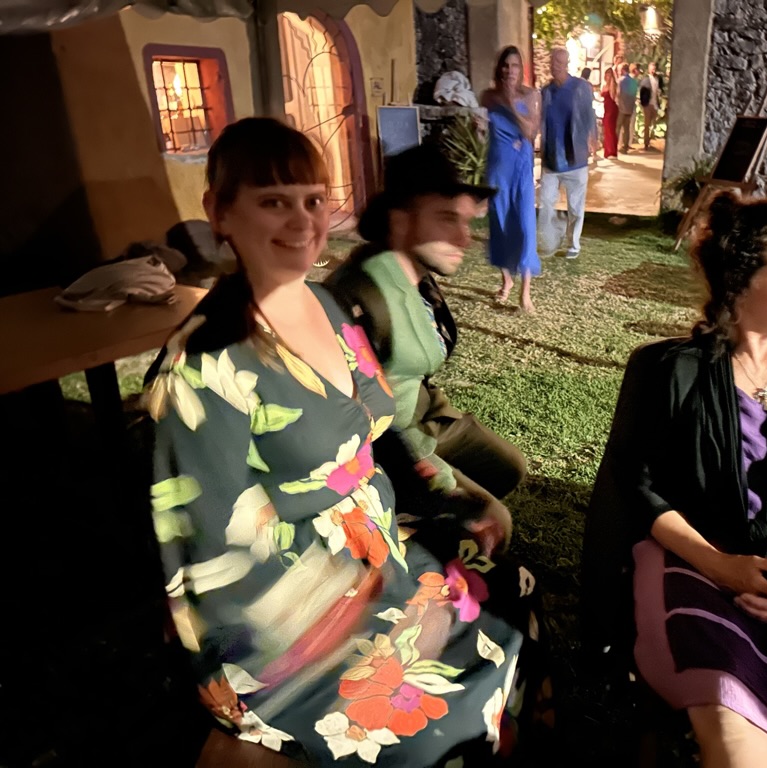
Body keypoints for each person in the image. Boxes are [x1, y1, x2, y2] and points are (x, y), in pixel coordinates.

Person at [146, 117, 539, 765]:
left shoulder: (326, 307)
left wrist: (451, 497)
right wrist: (382, 618)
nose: (303, 221)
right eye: (274, 202)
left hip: (381, 550)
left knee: (513, 593)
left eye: (313, 200)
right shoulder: (205, 365)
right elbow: (210, 557)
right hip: (288, 616)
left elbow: (377, 431)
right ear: (219, 212)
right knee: (443, 718)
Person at [583, 192, 767, 768]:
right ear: (741, 280)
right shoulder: (668, 371)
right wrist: (720, 565)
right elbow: (637, 487)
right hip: (690, 567)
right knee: (733, 737)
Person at [325, 143, 528, 543]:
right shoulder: (360, 297)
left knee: (508, 466)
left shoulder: (417, 279)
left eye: (466, 221)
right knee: (493, 520)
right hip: (389, 436)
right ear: (401, 221)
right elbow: (360, 419)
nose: (465, 238)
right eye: (447, 219)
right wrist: (440, 483)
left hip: (424, 410)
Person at [480, 46, 541, 313]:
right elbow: (484, 132)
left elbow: (530, 131)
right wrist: (479, 129)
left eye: (515, 65)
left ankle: (525, 293)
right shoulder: (487, 96)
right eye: (506, 65)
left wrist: (510, 103)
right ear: (500, 69)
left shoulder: (531, 95)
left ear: (521, 69)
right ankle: (506, 281)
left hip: (521, 169)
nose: (509, 70)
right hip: (497, 168)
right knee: (500, 225)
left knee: (525, 227)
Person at [537, 46, 598, 260]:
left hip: (575, 158)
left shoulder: (580, 88)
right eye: (553, 62)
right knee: (545, 203)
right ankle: (555, 233)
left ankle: (573, 244)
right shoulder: (545, 91)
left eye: (560, 63)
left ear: (567, 64)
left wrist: (593, 138)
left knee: (575, 207)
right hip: (551, 159)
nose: (556, 67)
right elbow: (540, 120)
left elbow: (589, 115)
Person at [616, 62, 639, 153]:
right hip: (630, 108)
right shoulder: (633, 81)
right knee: (626, 128)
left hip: (621, 107)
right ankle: (625, 147)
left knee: (618, 128)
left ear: (622, 70)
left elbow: (618, 94)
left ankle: (615, 145)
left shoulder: (620, 80)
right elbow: (634, 94)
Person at [638, 61, 661, 150]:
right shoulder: (645, 80)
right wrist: (643, 103)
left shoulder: (657, 79)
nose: (653, 70)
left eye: (654, 69)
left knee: (653, 123)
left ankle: (651, 140)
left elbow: (658, 90)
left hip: (655, 103)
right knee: (647, 124)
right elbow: (642, 92)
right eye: (651, 69)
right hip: (647, 104)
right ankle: (646, 143)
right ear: (648, 69)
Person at [600, 67, 620, 159]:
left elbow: (613, 97)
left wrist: (612, 83)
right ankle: (607, 151)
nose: (607, 77)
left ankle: (612, 151)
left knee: (610, 130)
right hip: (606, 108)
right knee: (607, 130)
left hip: (612, 109)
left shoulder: (613, 85)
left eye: (609, 75)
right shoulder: (604, 85)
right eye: (606, 75)